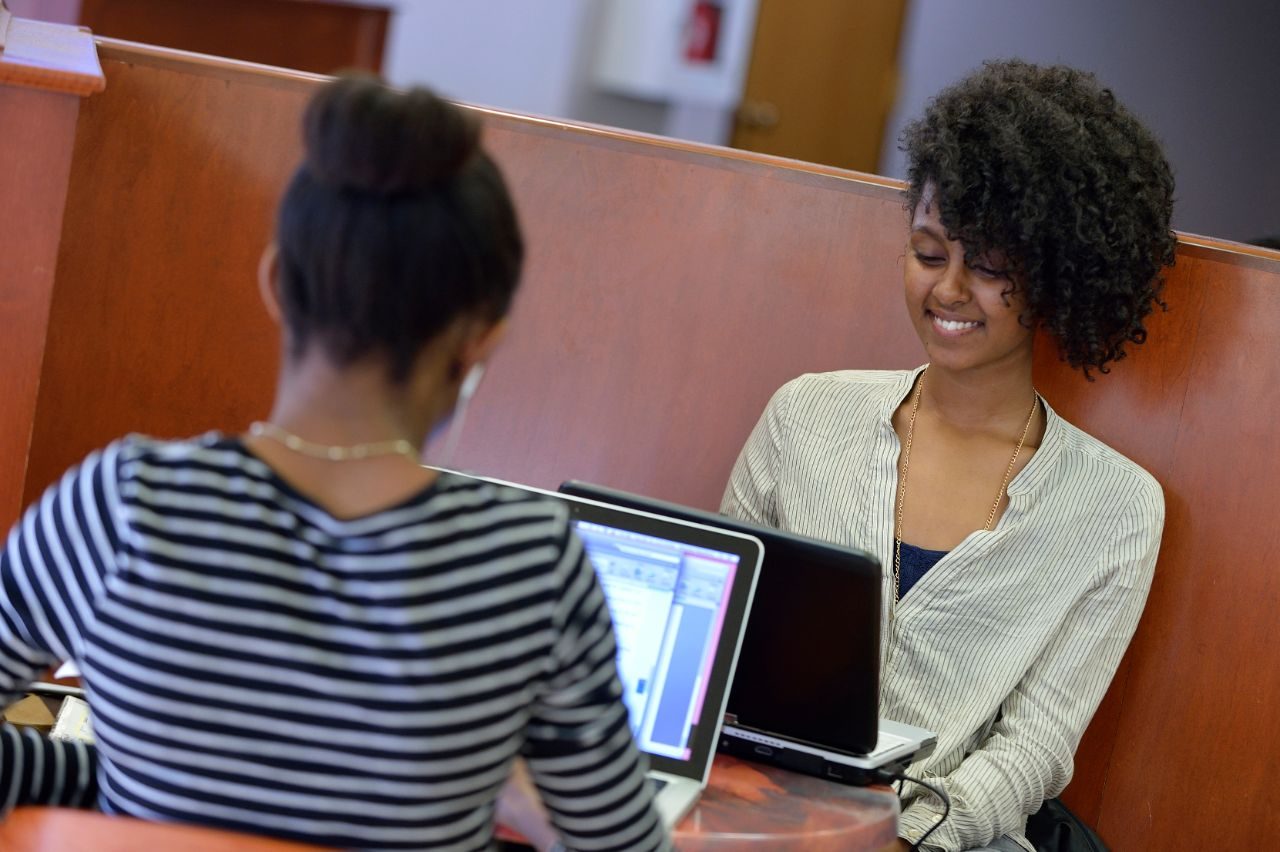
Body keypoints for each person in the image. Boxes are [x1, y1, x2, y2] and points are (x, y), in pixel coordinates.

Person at [0, 75, 668, 852]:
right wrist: (512, 805)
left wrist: (125, 800)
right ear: (481, 335)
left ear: (279, 283)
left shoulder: (121, 508)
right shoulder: (530, 565)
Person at [722, 60, 1175, 852]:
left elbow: (1033, 750)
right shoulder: (807, 415)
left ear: (1062, 276)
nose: (951, 290)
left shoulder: (1116, 508)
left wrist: (894, 835)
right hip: (752, 811)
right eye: (930, 253)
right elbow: (716, 638)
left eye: (992, 266)